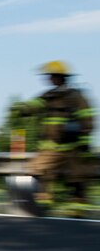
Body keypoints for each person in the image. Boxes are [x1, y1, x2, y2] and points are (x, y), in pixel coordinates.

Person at [13, 60, 95, 216]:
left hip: (73, 148)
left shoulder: (76, 97)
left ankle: (78, 213)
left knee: (77, 180)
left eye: (51, 76)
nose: (48, 79)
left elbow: (87, 121)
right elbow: (35, 105)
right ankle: (44, 206)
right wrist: (22, 108)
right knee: (36, 170)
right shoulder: (48, 96)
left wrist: (84, 144)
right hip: (51, 147)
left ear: (59, 77)